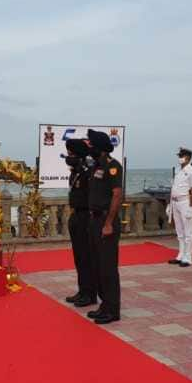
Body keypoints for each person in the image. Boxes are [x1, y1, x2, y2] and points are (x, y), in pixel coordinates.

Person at [85, 130, 123, 325]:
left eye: (92, 145)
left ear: (100, 148)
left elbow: (117, 195)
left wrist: (108, 223)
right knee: (97, 265)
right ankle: (104, 304)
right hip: (94, 220)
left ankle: (112, 309)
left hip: (106, 221)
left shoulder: (113, 166)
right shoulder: (95, 167)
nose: (89, 148)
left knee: (108, 266)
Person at [63, 138, 96, 307]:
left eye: (70, 154)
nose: (68, 157)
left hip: (85, 217)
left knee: (86, 257)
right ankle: (82, 290)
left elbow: (91, 198)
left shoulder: (88, 172)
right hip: (76, 216)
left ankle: (90, 294)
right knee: (78, 257)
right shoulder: (75, 171)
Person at [167, 147, 192, 268]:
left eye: (182, 156)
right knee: (180, 232)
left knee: (188, 232)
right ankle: (180, 255)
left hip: (185, 202)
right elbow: (174, 188)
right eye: (179, 156)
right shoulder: (178, 170)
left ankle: (188, 257)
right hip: (175, 202)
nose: (179, 158)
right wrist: (170, 204)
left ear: (188, 157)